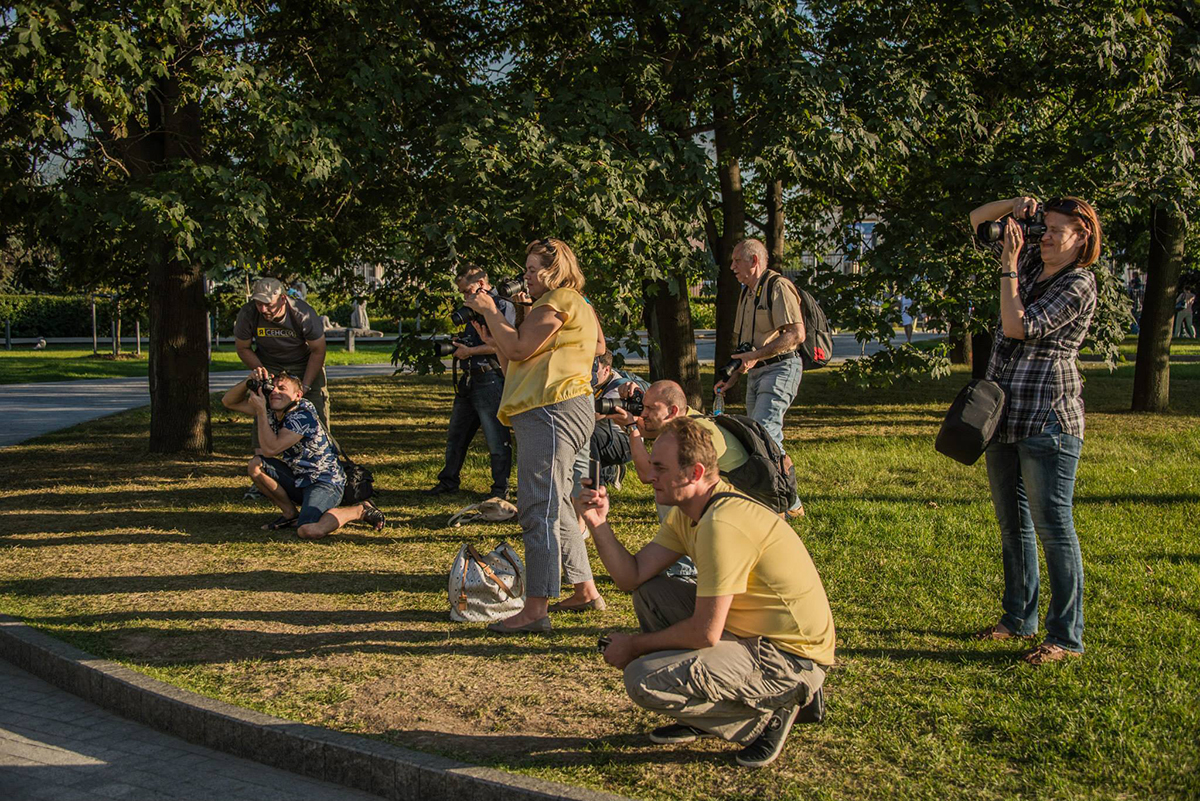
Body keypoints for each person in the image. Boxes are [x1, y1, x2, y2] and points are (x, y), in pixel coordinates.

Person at [573, 417, 834, 768]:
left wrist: (633, 646)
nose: (649, 477)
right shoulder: (692, 511)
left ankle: (769, 713)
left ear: (695, 473)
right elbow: (631, 577)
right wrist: (597, 522)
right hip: (755, 637)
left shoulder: (721, 525)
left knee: (643, 678)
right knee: (651, 593)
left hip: (792, 660)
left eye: (660, 469)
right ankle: (705, 714)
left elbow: (704, 632)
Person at [968, 195, 1101, 665]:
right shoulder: (1030, 257)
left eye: (1057, 231)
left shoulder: (1079, 283)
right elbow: (976, 221)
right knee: (1013, 526)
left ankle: (1065, 637)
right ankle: (1017, 618)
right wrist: (1015, 205)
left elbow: (1017, 325)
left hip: (1049, 418)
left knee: (1053, 526)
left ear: (1082, 237)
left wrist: (1008, 268)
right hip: (1005, 414)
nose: (1045, 237)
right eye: (1044, 228)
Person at [463, 237, 605, 632]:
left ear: (554, 270)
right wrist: (496, 338)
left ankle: (536, 609)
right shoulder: (555, 306)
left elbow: (521, 348)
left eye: (530, 269)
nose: (524, 277)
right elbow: (515, 362)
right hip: (550, 410)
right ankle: (585, 590)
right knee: (556, 504)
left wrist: (492, 309)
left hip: (553, 411)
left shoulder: (560, 299)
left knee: (537, 506)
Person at [221, 370, 384, 538]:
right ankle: (289, 514)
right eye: (273, 388)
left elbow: (271, 449)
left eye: (282, 388)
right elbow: (228, 401)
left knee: (308, 529)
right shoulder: (273, 410)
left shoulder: (302, 416)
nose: (275, 392)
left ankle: (360, 510)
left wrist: (261, 412)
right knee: (256, 464)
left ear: (297, 395)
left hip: (324, 482)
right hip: (299, 478)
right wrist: (249, 380)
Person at [426, 264, 515, 500]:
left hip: (491, 377)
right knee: (456, 435)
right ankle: (448, 481)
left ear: (483, 285)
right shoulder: (471, 307)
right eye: (462, 292)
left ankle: (500, 489)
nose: (465, 297)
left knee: (496, 438)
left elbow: (505, 344)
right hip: (469, 379)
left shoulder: (502, 305)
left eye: (468, 290)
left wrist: (471, 351)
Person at [714, 238, 806, 449]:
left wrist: (755, 357)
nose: (732, 267)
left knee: (765, 436)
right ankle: (775, 478)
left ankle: (780, 481)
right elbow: (747, 347)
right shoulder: (746, 292)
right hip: (757, 373)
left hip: (781, 369)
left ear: (754, 260)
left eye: (737, 261)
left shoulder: (778, 286)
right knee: (757, 435)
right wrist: (733, 377)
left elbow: (796, 334)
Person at [234, 277, 333, 460]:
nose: (263, 309)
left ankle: (322, 459)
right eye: (258, 303)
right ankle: (263, 462)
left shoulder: (302, 313)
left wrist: (306, 386)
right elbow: (243, 348)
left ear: (282, 299)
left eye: (268, 304)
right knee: (264, 402)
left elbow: (318, 351)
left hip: (305, 361)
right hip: (268, 362)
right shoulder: (248, 314)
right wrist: (261, 372)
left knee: (315, 405)